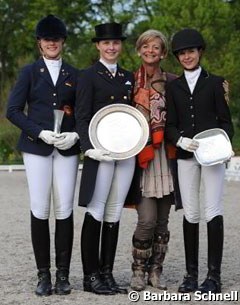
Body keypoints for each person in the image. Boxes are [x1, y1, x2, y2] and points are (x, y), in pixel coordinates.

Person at [6, 15, 80, 296]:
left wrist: (75, 135)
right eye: (47, 39)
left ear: (62, 41)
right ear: (40, 42)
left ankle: (63, 275)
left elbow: (82, 112)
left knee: (64, 210)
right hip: (37, 147)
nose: (52, 43)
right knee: (40, 208)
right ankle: (43, 275)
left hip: (67, 148)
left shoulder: (75, 74)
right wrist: (39, 132)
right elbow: (12, 111)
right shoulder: (28, 72)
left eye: (56, 39)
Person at [165, 28, 234, 294]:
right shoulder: (174, 87)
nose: (187, 57)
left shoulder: (216, 83)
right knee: (191, 212)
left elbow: (227, 124)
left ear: (199, 52)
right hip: (185, 155)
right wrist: (179, 140)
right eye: (182, 53)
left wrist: (219, 144)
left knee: (212, 210)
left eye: (191, 51)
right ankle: (191, 275)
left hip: (212, 156)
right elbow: (170, 124)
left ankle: (213, 276)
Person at [75, 22, 135, 295]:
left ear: (121, 45)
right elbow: (82, 115)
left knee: (114, 211)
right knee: (97, 210)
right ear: (98, 46)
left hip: (125, 151)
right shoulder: (88, 76)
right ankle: (90, 276)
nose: (112, 47)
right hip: (100, 151)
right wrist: (88, 148)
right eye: (106, 43)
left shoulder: (127, 76)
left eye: (116, 43)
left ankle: (107, 273)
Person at [129, 29, 182, 292]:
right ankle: (138, 270)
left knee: (163, 222)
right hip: (142, 157)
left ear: (162, 53)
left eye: (157, 47)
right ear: (139, 50)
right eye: (146, 46)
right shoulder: (130, 83)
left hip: (167, 156)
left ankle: (155, 271)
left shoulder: (173, 82)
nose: (151, 51)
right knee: (147, 220)